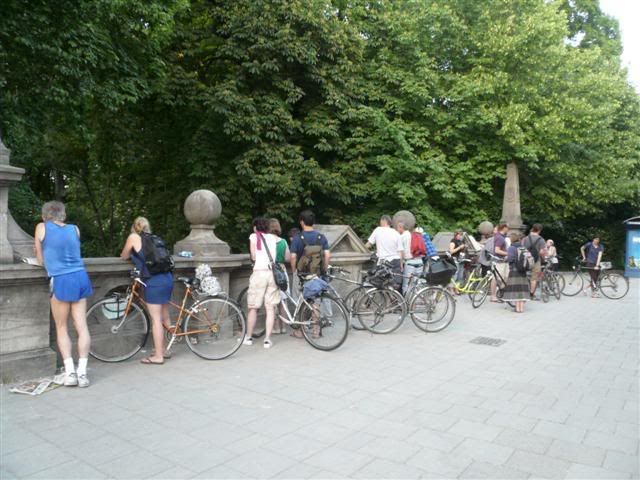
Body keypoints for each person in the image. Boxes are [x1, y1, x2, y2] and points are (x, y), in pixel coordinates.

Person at [34, 201, 93, 387]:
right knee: (81, 326)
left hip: (61, 278)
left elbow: (39, 256)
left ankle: (70, 374)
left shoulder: (41, 227)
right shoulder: (74, 229)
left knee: (61, 327)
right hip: (81, 276)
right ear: (63, 215)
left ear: (45, 215)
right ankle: (82, 374)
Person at [120, 217, 174, 365]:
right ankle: (165, 350)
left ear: (134, 226)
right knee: (165, 316)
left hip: (154, 281)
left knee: (156, 320)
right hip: (167, 278)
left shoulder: (133, 237)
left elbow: (124, 255)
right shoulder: (154, 238)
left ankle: (158, 356)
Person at [289, 210, 330, 338]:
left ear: (301, 222)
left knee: (300, 300)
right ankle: (315, 332)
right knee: (316, 302)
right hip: (316, 274)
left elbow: (293, 256)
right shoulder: (321, 237)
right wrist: (323, 268)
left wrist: (294, 270)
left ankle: (300, 331)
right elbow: (327, 254)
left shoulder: (297, 238)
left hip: (302, 275)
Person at [244, 217, 281, 348]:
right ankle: (267, 340)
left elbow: (253, 256)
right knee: (270, 308)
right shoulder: (273, 238)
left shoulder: (253, 237)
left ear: (255, 227)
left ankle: (248, 338)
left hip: (259, 273)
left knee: (253, 307)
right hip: (271, 274)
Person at [365, 215, 403, 291]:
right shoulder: (396, 233)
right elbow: (400, 251)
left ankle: (380, 300)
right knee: (394, 285)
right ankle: (394, 300)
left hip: (384, 261)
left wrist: (361, 250)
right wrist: (401, 264)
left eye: (380, 221)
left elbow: (368, 244)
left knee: (378, 283)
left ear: (383, 221)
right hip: (396, 261)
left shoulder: (378, 230)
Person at [269, 218, 291, 334]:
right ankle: (284, 327)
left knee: (273, 301)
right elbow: (288, 258)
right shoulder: (283, 241)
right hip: (281, 271)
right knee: (283, 300)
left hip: (271, 272)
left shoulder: (266, 241)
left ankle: (275, 327)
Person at [503, 232, 529, 313]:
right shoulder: (522, 247)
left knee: (516, 289)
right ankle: (521, 308)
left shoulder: (511, 247)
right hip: (523, 270)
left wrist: (505, 259)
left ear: (511, 239)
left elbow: (510, 259)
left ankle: (517, 308)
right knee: (521, 289)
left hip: (515, 270)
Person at [397, 222, 424, 294]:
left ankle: (406, 302)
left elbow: (401, 252)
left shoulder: (402, 236)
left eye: (397, 228)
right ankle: (415, 302)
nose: (397, 229)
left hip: (410, 263)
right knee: (415, 284)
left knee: (405, 284)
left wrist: (401, 265)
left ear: (401, 227)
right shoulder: (415, 235)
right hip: (420, 262)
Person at [521, 224, 546, 300]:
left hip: (525, 260)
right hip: (536, 261)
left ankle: (522, 292)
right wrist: (543, 259)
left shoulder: (525, 238)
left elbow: (521, 249)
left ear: (532, 229)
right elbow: (541, 252)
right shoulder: (541, 239)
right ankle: (531, 295)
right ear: (539, 230)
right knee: (534, 278)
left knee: (523, 276)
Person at [490, 223, 510, 302]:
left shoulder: (499, 236)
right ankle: (493, 296)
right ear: (504, 228)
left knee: (504, 277)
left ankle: (501, 293)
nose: (508, 229)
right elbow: (497, 250)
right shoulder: (500, 238)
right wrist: (508, 253)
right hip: (500, 261)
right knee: (496, 278)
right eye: (507, 227)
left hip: (502, 261)